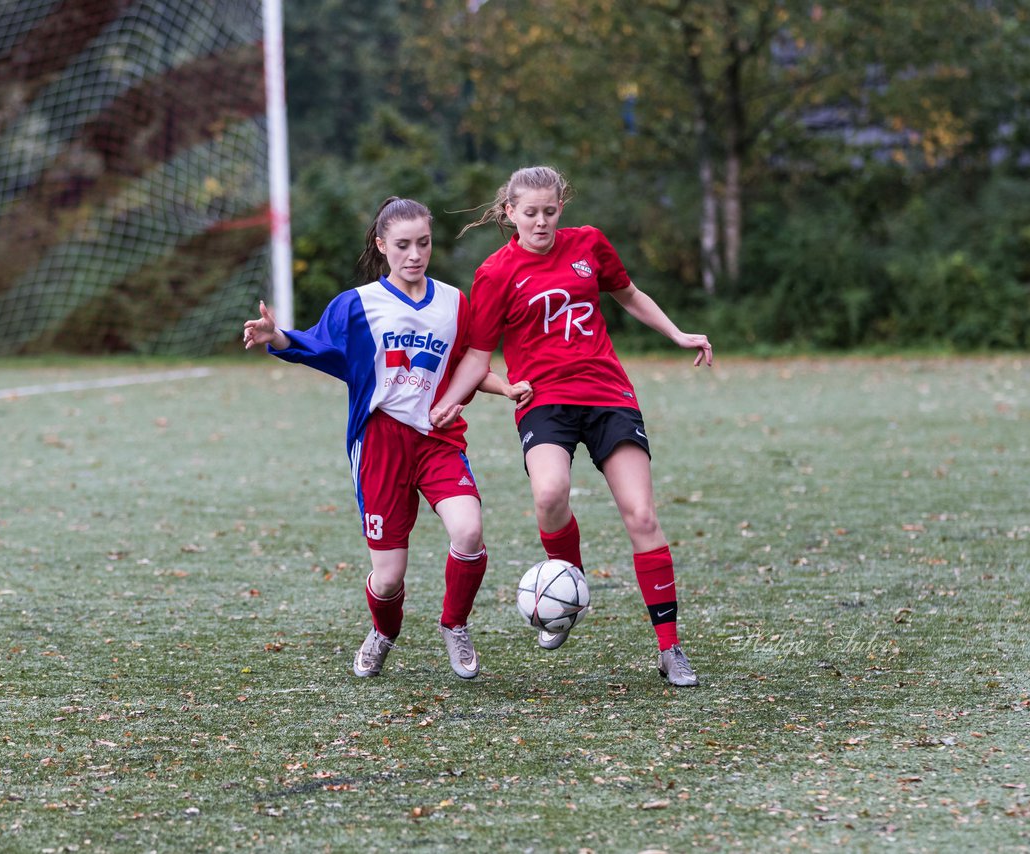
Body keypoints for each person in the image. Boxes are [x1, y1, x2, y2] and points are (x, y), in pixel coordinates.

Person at [430, 165, 714, 688]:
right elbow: (476, 356)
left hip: (608, 396)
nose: (541, 222)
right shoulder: (495, 273)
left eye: (550, 211)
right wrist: (451, 400)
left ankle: (670, 649)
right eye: (530, 213)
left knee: (642, 516)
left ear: (562, 208)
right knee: (550, 495)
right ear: (509, 211)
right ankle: (571, 588)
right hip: (544, 403)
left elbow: (628, 294)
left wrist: (677, 333)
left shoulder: (589, 245)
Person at [243, 196, 532, 680]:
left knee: (469, 531)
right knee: (390, 576)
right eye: (402, 245)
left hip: (438, 439)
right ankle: (383, 632)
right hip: (380, 444)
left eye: (423, 243)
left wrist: (504, 387)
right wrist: (278, 337)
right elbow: (316, 346)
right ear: (381, 245)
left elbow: (468, 363)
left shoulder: (454, 303)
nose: (415, 254)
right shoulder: (357, 305)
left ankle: (455, 624)